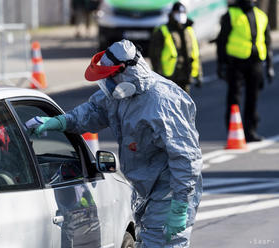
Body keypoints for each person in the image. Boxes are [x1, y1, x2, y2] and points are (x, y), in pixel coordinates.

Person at [33, 39, 203, 247]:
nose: (107, 85)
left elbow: (186, 159)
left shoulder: (162, 102)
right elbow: (94, 111)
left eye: (108, 78)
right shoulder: (120, 95)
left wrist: (179, 206)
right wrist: (61, 122)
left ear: (123, 72)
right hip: (146, 189)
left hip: (169, 191)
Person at [216, 0, 275, 142]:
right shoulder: (231, 15)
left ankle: (250, 131)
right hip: (236, 63)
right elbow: (222, 41)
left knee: (252, 98)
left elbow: (267, 42)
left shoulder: (261, 15)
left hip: (255, 63)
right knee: (234, 98)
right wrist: (221, 64)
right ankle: (233, 130)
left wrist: (269, 66)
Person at [149, 1, 203, 94]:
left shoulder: (189, 30)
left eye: (183, 13)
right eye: (177, 13)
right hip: (170, 77)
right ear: (172, 14)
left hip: (186, 75)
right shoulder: (163, 30)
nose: (180, 15)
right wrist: (158, 77)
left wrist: (199, 74)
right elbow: (155, 56)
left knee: (185, 105)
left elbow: (196, 53)